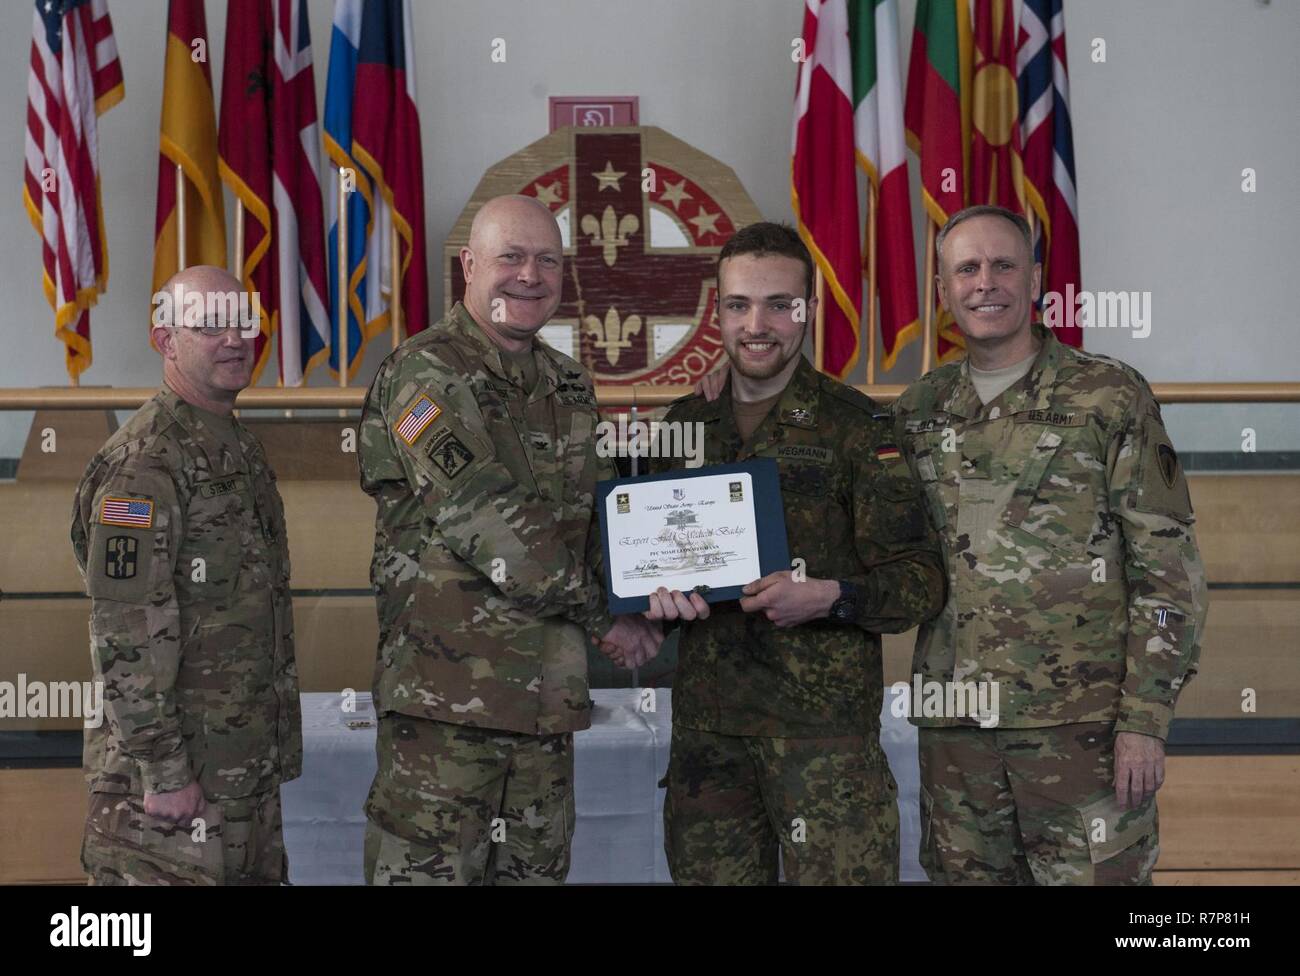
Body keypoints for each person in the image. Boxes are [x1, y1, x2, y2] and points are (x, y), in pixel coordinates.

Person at [895, 205, 1208, 884]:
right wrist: (733, 386)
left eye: (1003, 264)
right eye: (967, 268)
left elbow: (1167, 568)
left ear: (1035, 278)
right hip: (956, 737)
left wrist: (1146, 720)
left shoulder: (1108, 395)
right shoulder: (918, 410)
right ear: (944, 289)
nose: (986, 282)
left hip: (1083, 734)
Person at [358, 194, 661, 885]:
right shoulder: (423, 375)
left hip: (544, 708)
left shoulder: (569, 385)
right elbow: (483, 515)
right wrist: (607, 613)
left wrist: (652, 587)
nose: (530, 275)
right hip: (445, 711)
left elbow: (600, 521)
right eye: (511, 257)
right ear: (469, 266)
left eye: (547, 260)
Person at [641, 222, 945, 884]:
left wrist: (832, 596)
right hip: (709, 744)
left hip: (826, 749)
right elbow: (648, 567)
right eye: (739, 305)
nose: (758, 324)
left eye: (780, 304)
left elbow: (920, 581)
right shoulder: (683, 426)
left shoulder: (858, 427)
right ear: (716, 311)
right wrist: (650, 609)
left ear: (809, 309)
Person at [71, 265, 301, 885]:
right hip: (172, 793)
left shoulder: (235, 444)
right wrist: (165, 769)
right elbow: (125, 628)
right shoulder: (147, 461)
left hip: (239, 775)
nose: (234, 339)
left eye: (242, 323)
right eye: (209, 326)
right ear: (164, 340)